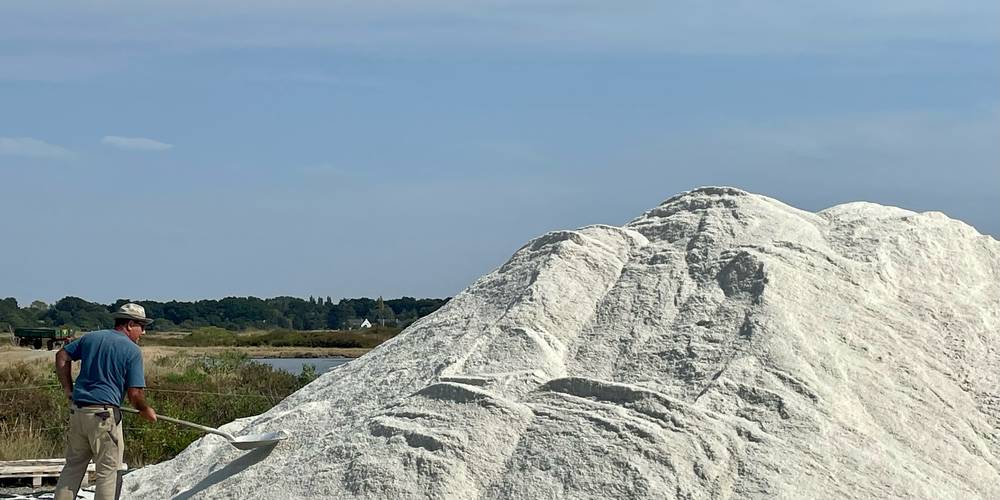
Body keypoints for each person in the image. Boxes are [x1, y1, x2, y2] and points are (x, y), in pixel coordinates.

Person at [53, 303, 158, 500]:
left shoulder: (91, 337)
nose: (143, 332)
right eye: (141, 326)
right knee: (109, 472)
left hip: (79, 412)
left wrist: (69, 389)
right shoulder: (132, 350)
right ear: (129, 324)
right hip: (103, 416)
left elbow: (62, 355)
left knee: (73, 467)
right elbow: (134, 394)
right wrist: (145, 409)